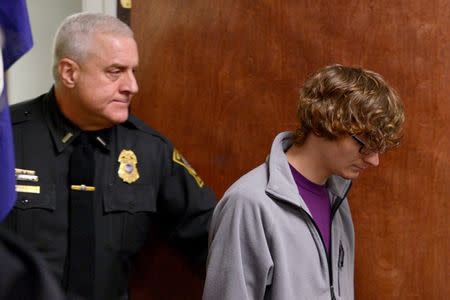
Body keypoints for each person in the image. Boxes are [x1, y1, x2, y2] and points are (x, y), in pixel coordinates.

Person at [1, 12, 216, 300]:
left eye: (133, 71)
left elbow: (214, 235)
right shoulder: (9, 139)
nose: (131, 87)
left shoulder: (150, 150)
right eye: (115, 71)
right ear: (69, 73)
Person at [203, 64, 405, 300]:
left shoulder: (338, 201)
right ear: (327, 120)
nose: (374, 160)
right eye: (365, 143)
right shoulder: (249, 204)